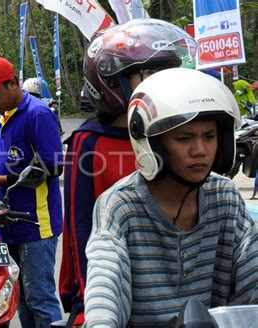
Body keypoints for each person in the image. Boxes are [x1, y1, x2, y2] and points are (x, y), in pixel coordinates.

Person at [84, 67, 258, 327]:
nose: (200, 150)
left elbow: (252, 269)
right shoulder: (120, 206)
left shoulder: (225, 197)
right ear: (152, 143)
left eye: (209, 136)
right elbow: (106, 281)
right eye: (184, 138)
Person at [58, 18, 196, 326]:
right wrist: (86, 298)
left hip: (173, 284)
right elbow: (79, 226)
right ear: (113, 81)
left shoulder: (173, 133)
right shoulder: (88, 142)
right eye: (149, 75)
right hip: (113, 282)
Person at [0, 56, 63, 327]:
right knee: (20, 297)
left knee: (40, 298)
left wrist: (2, 179)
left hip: (37, 223)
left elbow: (54, 165)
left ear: (12, 83)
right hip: (6, 223)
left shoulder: (37, 114)